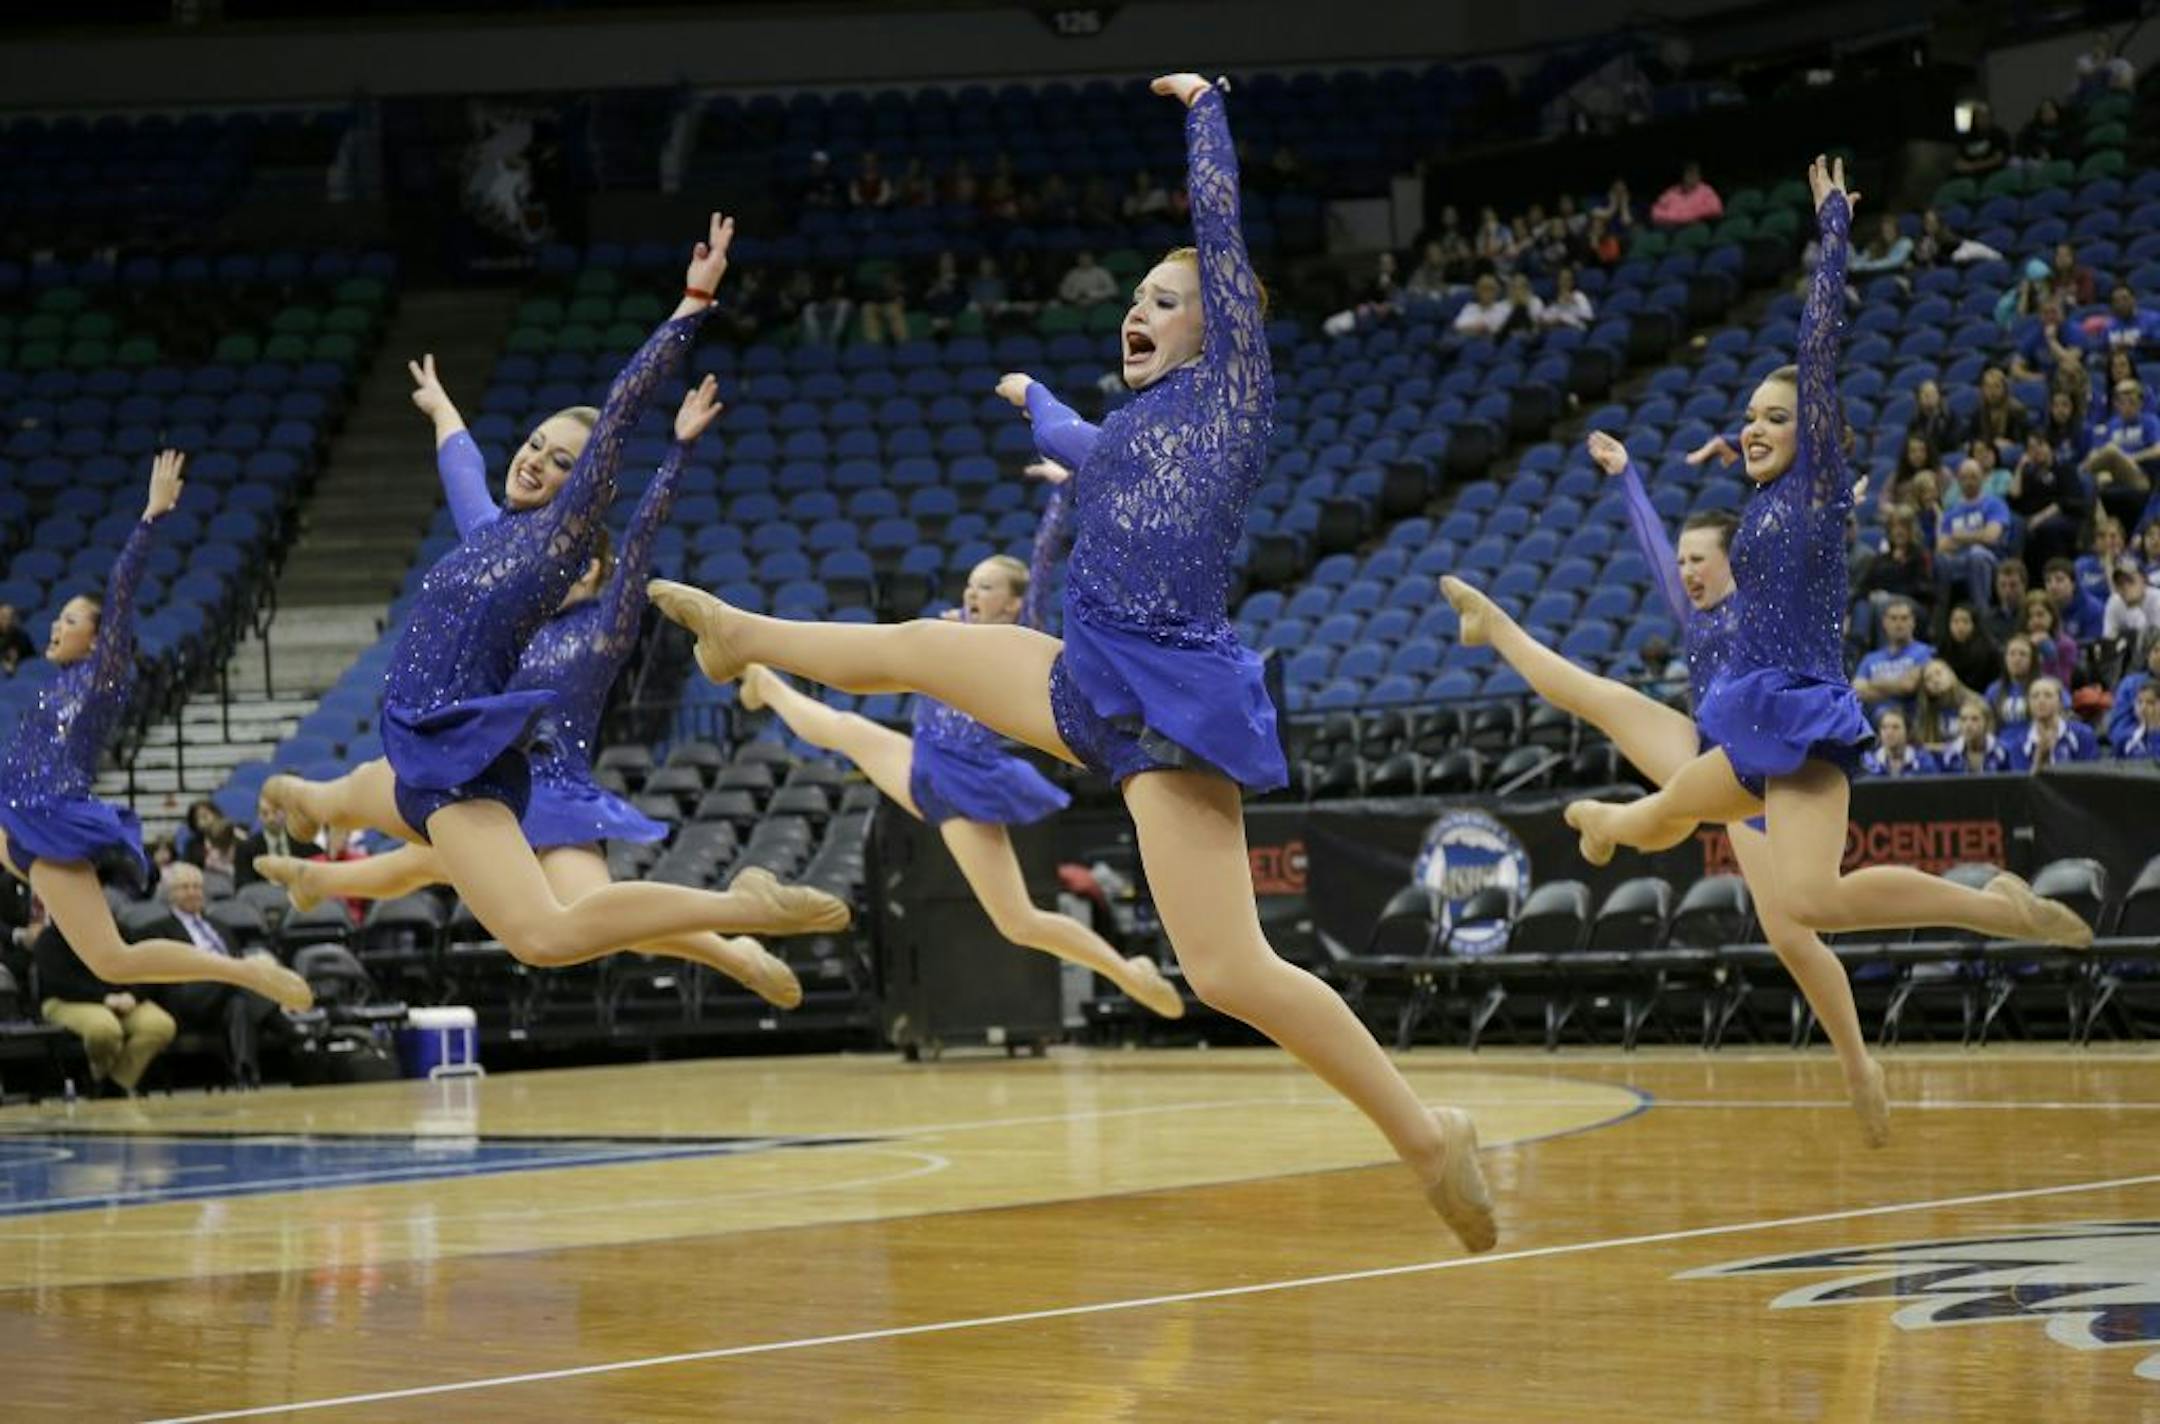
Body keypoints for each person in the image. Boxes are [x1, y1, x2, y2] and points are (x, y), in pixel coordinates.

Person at [646, 75, 1499, 1251]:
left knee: (1229, 967)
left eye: (1165, 299)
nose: (1137, 313)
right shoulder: (1130, 430)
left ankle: (1424, 1133)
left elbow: (1217, 226)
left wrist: (1205, 110)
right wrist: (1031, 393)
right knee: (925, 649)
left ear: (1221, 321)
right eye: (1134, 300)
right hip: (1082, 672)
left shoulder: (1234, 398)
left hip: (1167, 696)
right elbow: (1072, 441)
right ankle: (744, 635)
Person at [261, 218, 864, 984]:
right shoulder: (488, 533)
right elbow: (464, 473)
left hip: (458, 765)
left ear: (583, 492)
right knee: (366, 818)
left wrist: (689, 307)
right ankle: (307, 817)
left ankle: (742, 911)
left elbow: (617, 415)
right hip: (422, 745)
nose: (538, 461)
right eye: (537, 444)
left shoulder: (557, 547)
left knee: (546, 936)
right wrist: (445, 412)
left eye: (562, 461)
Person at [1557, 156, 2089, 950]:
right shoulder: (1765, 501)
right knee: (1672, 808)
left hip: (1798, 711)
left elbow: (1815, 350)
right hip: (1754, 710)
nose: (1756, 428)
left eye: (1776, 417)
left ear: (1812, 433)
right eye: (1750, 418)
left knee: (1809, 900)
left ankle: (1996, 909)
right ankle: (1602, 824)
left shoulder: (1816, 487)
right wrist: (1648, 472)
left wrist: (1833, 229)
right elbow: (1705, 546)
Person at [1441, 429, 1890, 1143]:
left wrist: (1829, 497)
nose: (1684, 572)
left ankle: (1859, 1066)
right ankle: (1492, 626)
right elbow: (1652, 550)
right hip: (1705, 754)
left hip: (1762, 773)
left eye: (1699, 559)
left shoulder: (1769, 607)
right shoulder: (1695, 613)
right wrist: (1627, 479)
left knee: (1793, 937)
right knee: (1601, 697)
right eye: (1682, 560)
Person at [737, 545, 1183, 1021]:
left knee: (1019, 922)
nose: (973, 592)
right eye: (971, 583)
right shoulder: (950, 631)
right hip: (927, 758)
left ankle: (1129, 973)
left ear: (1014, 603)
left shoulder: (1017, 638)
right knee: (843, 730)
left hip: (961, 780)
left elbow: (1044, 557)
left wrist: (1063, 490)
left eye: (987, 586)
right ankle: (765, 683)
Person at [0, 452, 311, 1010]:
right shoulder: (58, 682)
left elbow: (120, 591)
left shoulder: (102, 677)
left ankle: (244, 971)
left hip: (50, 825)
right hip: (13, 813)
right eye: (59, 616)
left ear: (99, 641)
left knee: (113, 960)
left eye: (70, 620)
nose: (54, 624)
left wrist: (151, 517)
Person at [146, 862, 290, 1088]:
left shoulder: (221, 927)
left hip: (226, 993)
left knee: (239, 1005)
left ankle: (245, 1074)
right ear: (170, 894)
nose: (193, 892)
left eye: (197, 887)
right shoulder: (157, 930)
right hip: (188, 994)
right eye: (185, 887)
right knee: (237, 974)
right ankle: (285, 1020)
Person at [34, 916, 176, 1097]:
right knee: (104, 1029)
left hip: (122, 998)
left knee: (160, 1025)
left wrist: (133, 995)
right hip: (68, 1000)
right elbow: (60, 983)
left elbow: (142, 966)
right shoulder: (50, 939)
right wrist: (103, 998)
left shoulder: (119, 930)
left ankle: (114, 1083)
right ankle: (99, 1075)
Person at [2009, 429, 2092, 578]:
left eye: (2040, 445)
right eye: (2031, 448)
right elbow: (2014, 499)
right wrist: (2020, 468)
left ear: (2049, 446)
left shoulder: (2064, 468)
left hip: (2066, 517)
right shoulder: (2029, 475)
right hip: (2032, 519)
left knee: (2045, 528)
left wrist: (2040, 517)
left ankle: (2056, 575)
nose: (2036, 451)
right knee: (2015, 526)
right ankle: (2019, 577)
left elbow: (2068, 501)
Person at [1935, 460, 2011, 614]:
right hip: (1958, 561)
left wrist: (1958, 536)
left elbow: (1991, 537)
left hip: (1991, 559)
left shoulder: (1995, 504)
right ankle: (1941, 615)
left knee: (1976, 554)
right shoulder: (1951, 512)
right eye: (1964, 478)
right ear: (1958, 480)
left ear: (1982, 478)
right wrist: (1977, 535)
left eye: (1973, 477)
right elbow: (1942, 545)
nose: (1969, 482)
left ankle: (1982, 615)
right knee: (1940, 560)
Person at [1854, 597, 1934, 719]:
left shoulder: (1925, 652)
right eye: (1893, 618)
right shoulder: (1870, 658)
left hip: (1911, 722)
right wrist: (1897, 688)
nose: (1899, 623)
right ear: (1884, 622)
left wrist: (1872, 683)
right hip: (1874, 728)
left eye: (1904, 618)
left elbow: (1908, 685)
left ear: (1913, 622)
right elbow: (1857, 690)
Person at [2005, 676, 2097, 768]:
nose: (2041, 701)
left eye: (2048, 695)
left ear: (2060, 702)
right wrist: (2040, 760)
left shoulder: (2083, 734)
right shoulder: (2019, 744)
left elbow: (2090, 775)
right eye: (2035, 696)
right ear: (2028, 704)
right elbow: (2022, 781)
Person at [1938, 603, 2002, 694]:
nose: (1960, 627)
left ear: (1974, 624)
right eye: (1955, 621)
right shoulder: (1944, 647)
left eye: (1965, 621)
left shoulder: (1989, 650)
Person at [1911, 658, 1975, 748]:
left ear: (1951, 673)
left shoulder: (1975, 703)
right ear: (1925, 689)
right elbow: (1922, 747)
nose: (1935, 680)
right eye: (1928, 679)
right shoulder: (1925, 712)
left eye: (1939, 673)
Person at [1939, 696, 2012, 773]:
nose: (1968, 725)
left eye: (1975, 719)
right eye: (1963, 719)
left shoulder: (2001, 752)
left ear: (1986, 722)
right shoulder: (1950, 754)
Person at [2043, 556, 2106, 642]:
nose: (2053, 586)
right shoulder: (2043, 608)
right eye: (2048, 581)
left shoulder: (2093, 609)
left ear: (2073, 584)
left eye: (2059, 580)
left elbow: (2092, 646)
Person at [1860, 708, 1937, 777]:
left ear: (1907, 732)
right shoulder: (1869, 763)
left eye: (1895, 727)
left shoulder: (1923, 761)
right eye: (1884, 727)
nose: (1889, 732)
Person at [1987, 633, 2039, 730]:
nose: (2017, 659)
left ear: (2032, 660)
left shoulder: (2045, 687)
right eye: (2012, 654)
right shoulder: (1994, 690)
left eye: (2023, 654)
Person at [2022, 592, 2078, 682]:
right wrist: (2029, 648)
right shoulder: (2020, 644)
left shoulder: (2066, 645)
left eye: (2040, 615)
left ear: (2052, 616)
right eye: (2030, 616)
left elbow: (2063, 683)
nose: (2035, 621)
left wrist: (2050, 655)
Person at [1650, 160, 1722, 227]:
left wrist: (1692, 216)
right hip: (1673, 228)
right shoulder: (1672, 192)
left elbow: (1716, 209)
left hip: (1695, 226)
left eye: (1694, 174)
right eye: (1688, 174)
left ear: (1699, 176)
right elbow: (1655, 212)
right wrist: (1676, 218)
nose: (1690, 177)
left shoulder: (1706, 191)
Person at [2105, 557, 2160, 640]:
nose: (2125, 587)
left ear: (2144, 580)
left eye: (2130, 580)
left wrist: (2134, 609)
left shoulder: (2157, 601)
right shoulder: (2114, 603)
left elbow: (2153, 645)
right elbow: (2108, 640)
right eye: (2120, 583)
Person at [1983, 557, 2032, 645]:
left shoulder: (2032, 616)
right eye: (2002, 585)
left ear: (2024, 585)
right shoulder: (1988, 619)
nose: (2007, 590)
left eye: (2013, 585)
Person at [1953, 102, 2011, 175]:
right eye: (1979, 116)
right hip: (1969, 174)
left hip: (1994, 172)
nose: (1982, 119)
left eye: (1985, 116)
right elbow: (1958, 161)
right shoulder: (1966, 137)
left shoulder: (1999, 134)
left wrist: (1978, 166)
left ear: (1991, 117)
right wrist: (1969, 167)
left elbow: (1999, 158)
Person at [1451, 273, 1513, 337]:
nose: (1487, 293)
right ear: (1478, 292)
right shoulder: (1470, 307)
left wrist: (1487, 328)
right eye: (1484, 289)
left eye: (1491, 290)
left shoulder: (1504, 308)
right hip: (1471, 340)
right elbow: (1457, 326)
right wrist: (1474, 327)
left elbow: (1507, 329)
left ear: (1497, 292)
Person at [1906, 384, 1961, 457]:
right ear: (1919, 399)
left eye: (1933, 394)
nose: (1929, 398)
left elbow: (1953, 442)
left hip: (1945, 455)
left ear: (1939, 397)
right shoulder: (1915, 420)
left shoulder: (1950, 416)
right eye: (1925, 395)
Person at [2113, 682, 2160, 760]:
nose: (2143, 708)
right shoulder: (2126, 739)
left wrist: (2155, 731)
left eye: (2150, 702)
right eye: (2139, 702)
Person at [0, 604, 32, 674]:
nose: (6, 620)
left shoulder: (20, 635)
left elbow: (31, 655)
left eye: (8, 617)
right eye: (3, 616)